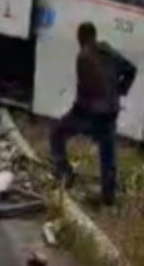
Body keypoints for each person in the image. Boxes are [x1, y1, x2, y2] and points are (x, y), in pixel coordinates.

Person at [51, 22, 137, 205]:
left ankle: (64, 173)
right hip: (111, 111)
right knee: (108, 153)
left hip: (91, 112)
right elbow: (131, 69)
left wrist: (75, 113)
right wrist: (120, 90)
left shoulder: (83, 56)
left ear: (81, 37)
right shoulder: (108, 51)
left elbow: (86, 89)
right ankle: (108, 197)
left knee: (57, 132)